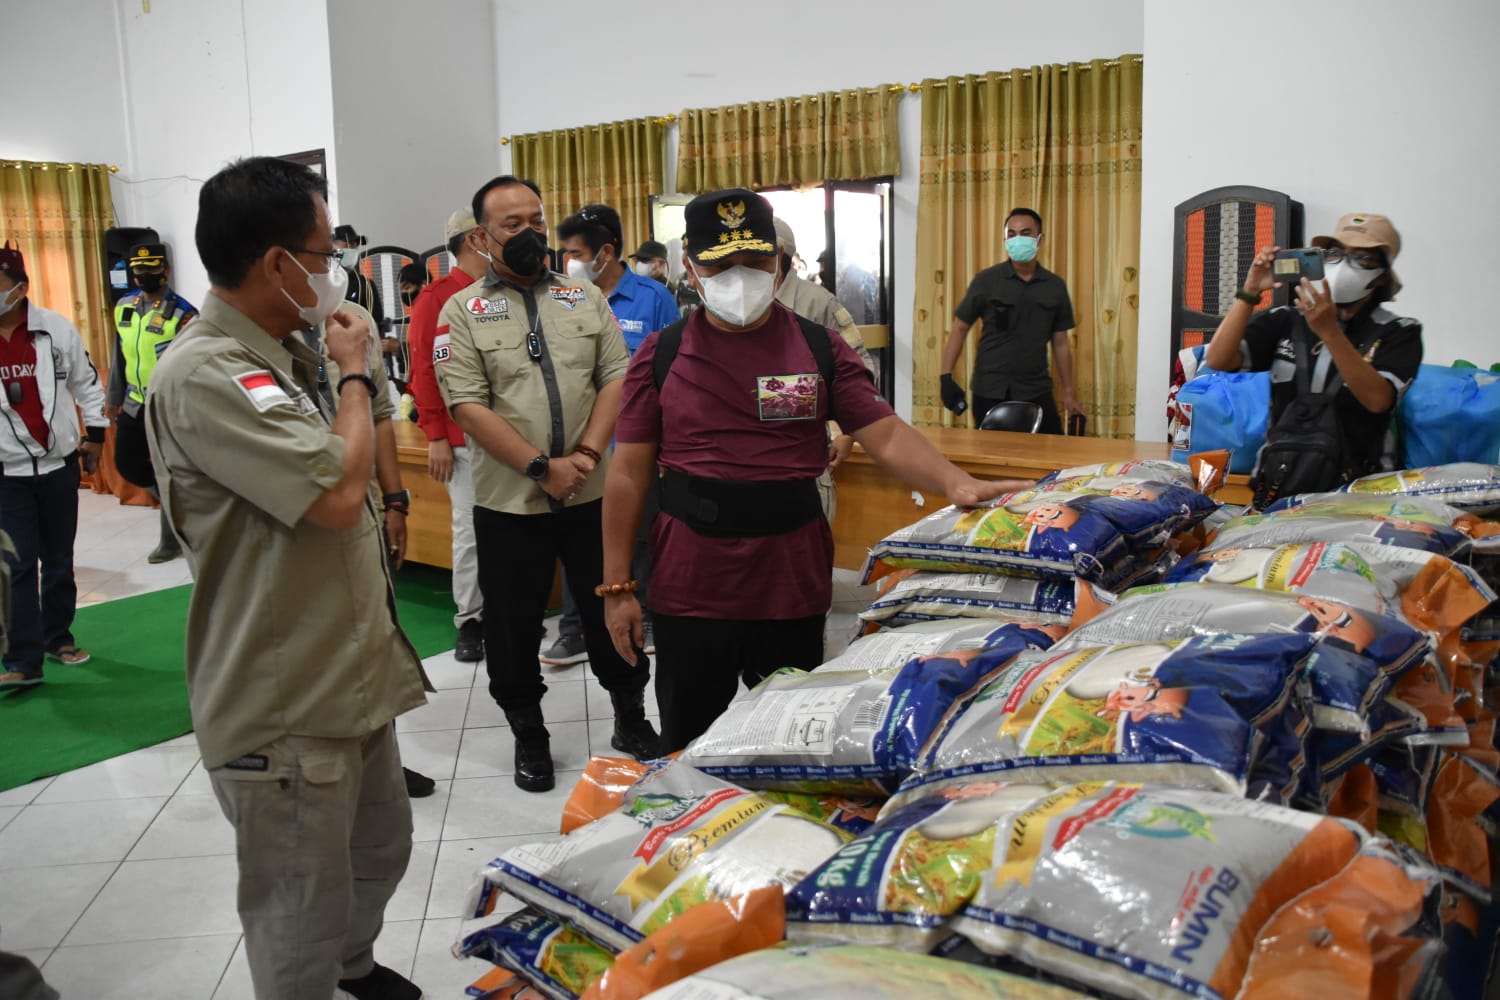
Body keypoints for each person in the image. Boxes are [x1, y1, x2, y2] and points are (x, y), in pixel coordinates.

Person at [600, 189, 1032, 753]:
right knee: (691, 740)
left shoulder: (820, 348)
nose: (740, 277)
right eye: (720, 264)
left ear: (778, 262)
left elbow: (887, 433)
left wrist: (955, 482)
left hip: (790, 575)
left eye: (754, 262)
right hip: (691, 579)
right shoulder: (660, 354)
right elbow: (628, 473)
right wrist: (617, 587)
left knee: (792, 736)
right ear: (691, 267)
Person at [143, 156, 429, 1000]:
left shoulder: (284, 351)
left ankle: (355, 966)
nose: (332, 266)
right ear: (276, 264)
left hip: (346, 668)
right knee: (296, 904)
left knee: (379, 847)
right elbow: (339, 495)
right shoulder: (206, 372)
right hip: (282, 691)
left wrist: (341, 368)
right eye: (322, 249)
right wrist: (350, 370)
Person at [434, 175, 657, 793]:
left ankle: (630, 716)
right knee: (511, 625)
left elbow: (618, 376)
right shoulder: (462, 311)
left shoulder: (582, 298)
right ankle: (529, 734)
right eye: (513, 225)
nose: (531, 234)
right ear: (482, 236)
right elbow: (467, 404)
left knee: (613, 601)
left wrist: (584, 454)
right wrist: (542, 467)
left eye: (536, 220)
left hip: (593, 495)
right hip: (510, 503)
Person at [300, 298, 437, 800]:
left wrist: (396, 501)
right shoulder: (260, 337)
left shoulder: (353, 320)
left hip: (368, 511)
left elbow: (380, 414)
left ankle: (385, 765)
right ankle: (336, 769)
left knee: (379, 637)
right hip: (311, 514)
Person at [542, 205, 680, 666]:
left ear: (605, 252)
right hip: (582, 452)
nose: (568, 261)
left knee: (640, 538)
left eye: (576, 252)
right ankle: (574, 628)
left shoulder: (653, 297)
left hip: (639, 449)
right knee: (580, 546)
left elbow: (673, 375)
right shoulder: (560, 297)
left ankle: (645, 618)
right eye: (565, 253)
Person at [1204, 213, 1422, 493]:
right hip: (1281, 480)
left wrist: (1329, 332)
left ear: (1381, 277)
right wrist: (1250, 291)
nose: (1345, 265)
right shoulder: (1286, 319)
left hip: (1361, 490)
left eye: (1363, 259)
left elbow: (1378, 400)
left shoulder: (1399, 331)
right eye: (1335, 253)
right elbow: (1218, 359)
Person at [0, 244, 106, 690]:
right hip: (8, 475)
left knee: (59, 560)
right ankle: (22, 661)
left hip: (59, 466)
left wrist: (96, 435)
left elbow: (87, 383)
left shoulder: (55, 330)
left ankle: (57, 638)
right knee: (17, 565)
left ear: (20, 289)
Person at [406, 208, 487, 663]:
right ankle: (471, 618)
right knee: (470, 530)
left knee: (509, 528)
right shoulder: (437, 296)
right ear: (474, 240)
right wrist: (436, 433)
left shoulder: (501, 291)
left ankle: (507, 610)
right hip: (461, 437)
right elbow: (424, 368)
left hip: (509, 437)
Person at [940, 208, 1083, 434]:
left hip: (1035, 388)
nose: (1018, 239)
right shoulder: (986, 281)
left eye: (1025, 233)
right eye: (1012, 234)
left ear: (1039, 239)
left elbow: (1061, 343)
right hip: (990, 389)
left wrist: (1069, 392)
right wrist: (945, 376)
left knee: (1051, 455)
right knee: (993, 460)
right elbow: (960, 327)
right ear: (1005, 240)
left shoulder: (1055, 286)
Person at [771, 216, 874, 523]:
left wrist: (846, 431)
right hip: (746, 465)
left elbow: (859, 371)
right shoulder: (728, 309)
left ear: (777, 255)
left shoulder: (817, 303)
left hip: (806, 458)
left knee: (806, 558)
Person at [105, 242, 197, 563]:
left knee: (167, 470)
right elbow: (119, 356)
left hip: (167, 406)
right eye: (139, 270)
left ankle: (169, 540)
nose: (145, 275)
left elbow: (192, 366)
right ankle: (181, 513)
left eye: (152, 268)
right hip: (133, 401)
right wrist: (112, 396)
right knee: (128, 464)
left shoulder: (184, 313)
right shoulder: (124, 306)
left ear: (166, 270)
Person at [630, 238, 701, 315]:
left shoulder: (667, 290)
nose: (640, 264)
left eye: (645, 260)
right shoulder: (635, 285)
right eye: (637, 260)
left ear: (661, 263)